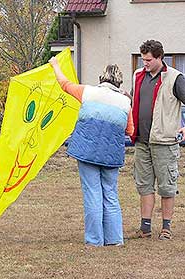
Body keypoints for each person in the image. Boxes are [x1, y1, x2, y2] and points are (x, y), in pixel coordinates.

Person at [49, 57, 134, 247]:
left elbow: (64, 84)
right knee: (110, 194)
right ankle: (115, 239)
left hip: (87, 152)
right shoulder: (124, 102)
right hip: (112, 155)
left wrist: (55, 65)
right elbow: (130, 131)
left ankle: (95, 240)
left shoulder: (87, 92)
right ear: (119, 82)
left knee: (92, 193)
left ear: (101, 78)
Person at [130, 40, 185, 240]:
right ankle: (145, 227)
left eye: (149, 60)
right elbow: (134, 100)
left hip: (165, 142)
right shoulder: (137, 75)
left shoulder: (175, 78)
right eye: (143, 60)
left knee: (167, 186)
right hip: (141, 141)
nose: (145, 64)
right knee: (144, 185)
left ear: (160, 57)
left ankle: (166, 228)